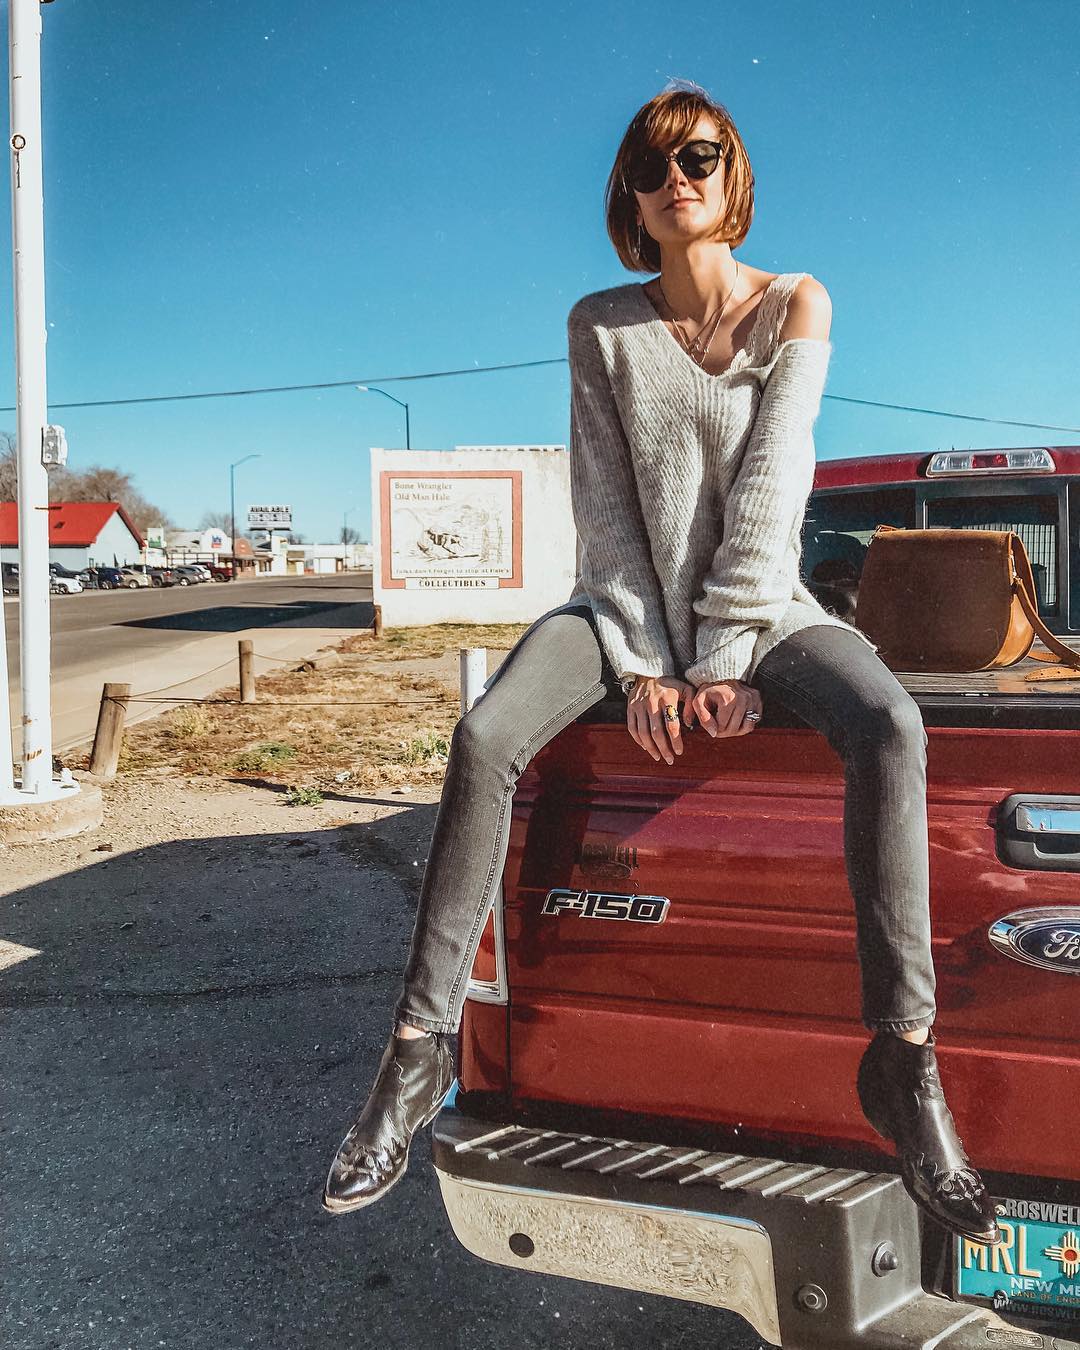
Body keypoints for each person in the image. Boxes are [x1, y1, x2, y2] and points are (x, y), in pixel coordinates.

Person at [321, 80, 1003, 1248]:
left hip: (767, 611)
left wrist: (731, 653)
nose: (677, 177)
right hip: (620, 611)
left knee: (891, 722)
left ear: (734, 175)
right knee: (485, 735)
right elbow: (608, 508)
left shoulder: (797, 302)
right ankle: (417, 1050)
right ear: (630, 198)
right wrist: (643, 664)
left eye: (700, 156)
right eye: (653, 166)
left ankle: (905, 1064)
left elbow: (774, 486)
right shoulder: (602, 322)